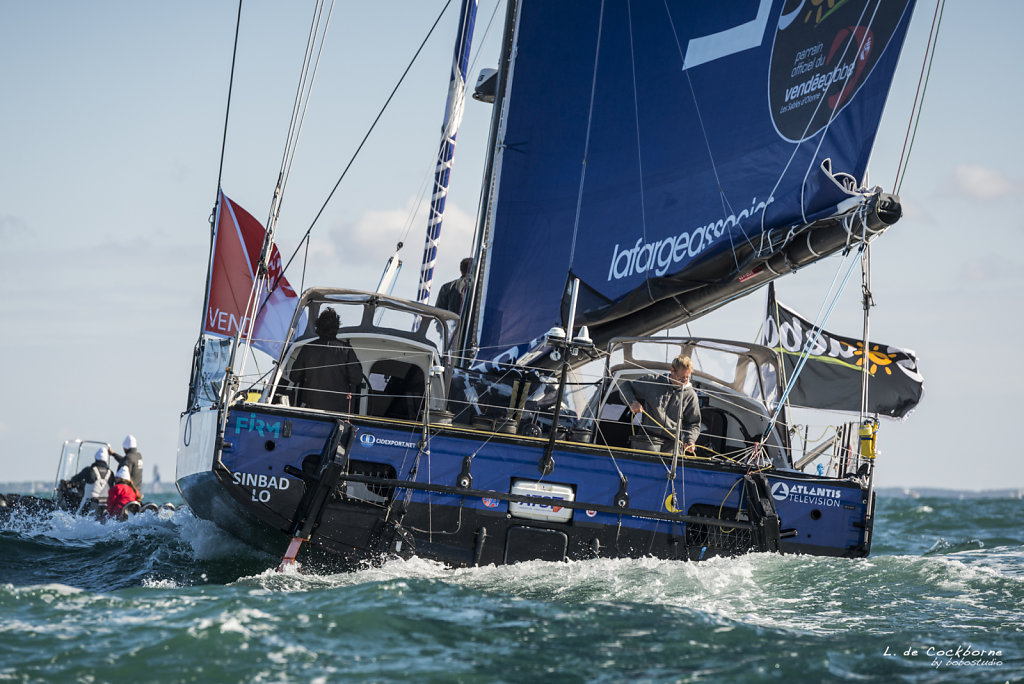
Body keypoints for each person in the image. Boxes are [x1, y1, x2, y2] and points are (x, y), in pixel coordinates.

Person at [618, 354, 701, 454]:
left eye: (687, 378)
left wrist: (690, 440)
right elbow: (625, 386)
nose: (684, 381)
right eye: (681, 377)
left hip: (672, 445)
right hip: (647, 440)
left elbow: (694, 423)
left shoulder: (691, 396)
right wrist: (632, 402)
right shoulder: (653, 382)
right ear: (672, 371)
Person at [291, 308, 362, 412]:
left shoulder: (308, 348)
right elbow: (356, 378)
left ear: (318, 327)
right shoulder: (346, 350)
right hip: (337, 411)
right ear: (337, 327)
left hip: (311, 408)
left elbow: (294, 376)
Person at [70, 447, 113, 514]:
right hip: (105, 506)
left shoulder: (89, 470)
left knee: (77, 515)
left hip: (88, 506)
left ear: (95, 458)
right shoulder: (111, 473)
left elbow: (74, 479)